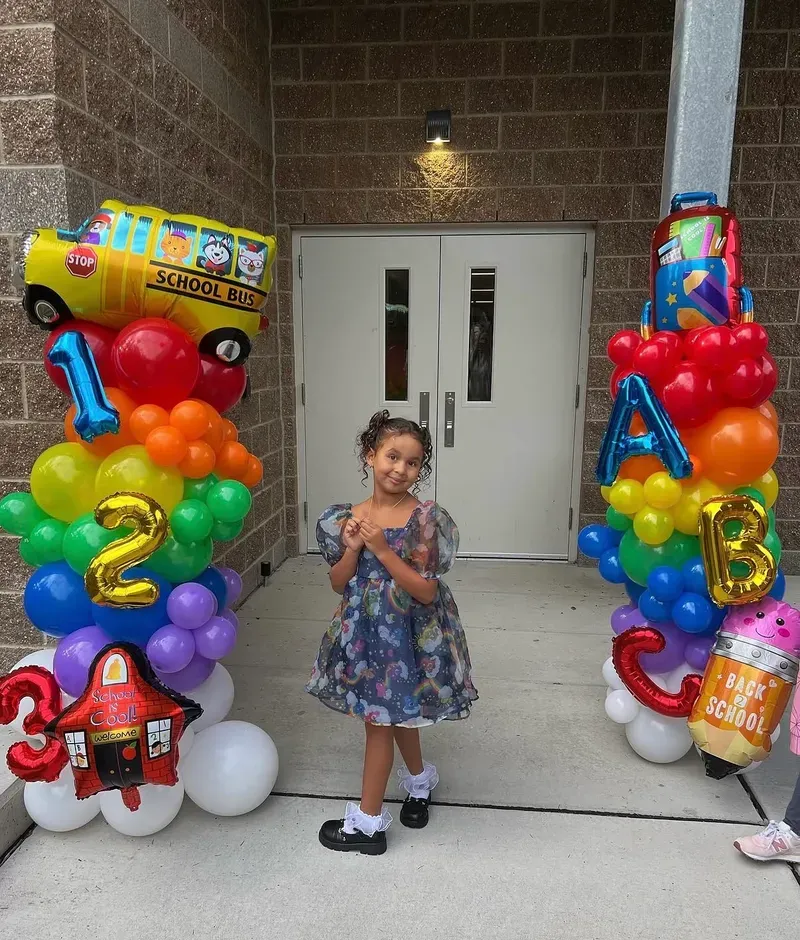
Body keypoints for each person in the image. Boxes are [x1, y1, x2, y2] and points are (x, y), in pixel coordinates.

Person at [306, 411, 478, 855]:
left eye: (413, 462)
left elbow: (424, 591)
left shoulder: (425, 520)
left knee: (381, 723)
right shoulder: (347, 517)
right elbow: (339, 582)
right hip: (367, 638)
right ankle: (419, 783)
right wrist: (352, 548)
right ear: (370, 456)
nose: (400, 469)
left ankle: (366, 826)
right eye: (392, 456)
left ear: (421, 470)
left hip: (410, 638)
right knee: (396, 714)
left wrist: (381, 548)